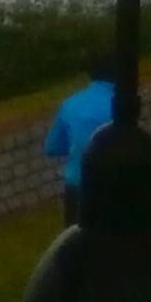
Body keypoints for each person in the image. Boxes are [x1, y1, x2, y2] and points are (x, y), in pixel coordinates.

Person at [44, 73, 116, 207]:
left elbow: (52, 147)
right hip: (114, 184)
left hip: (77, 186)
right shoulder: (119, 103)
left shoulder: (70, 104)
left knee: (75, 227)